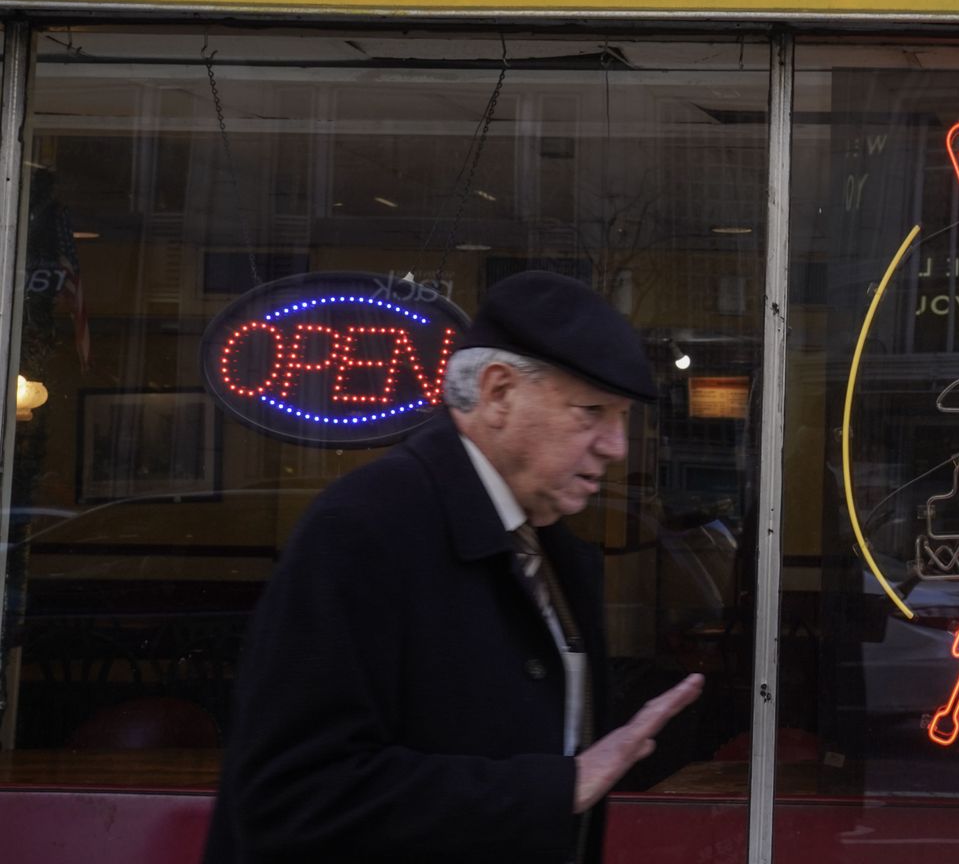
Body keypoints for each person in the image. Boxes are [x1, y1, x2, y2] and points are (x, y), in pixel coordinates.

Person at [204, 271, 702, 864]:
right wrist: (554, 788)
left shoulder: (556, 551)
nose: (616, 445)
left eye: (621, 417)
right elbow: (291, 797)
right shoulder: (365, 530)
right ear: (497, 394)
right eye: (591, 411)